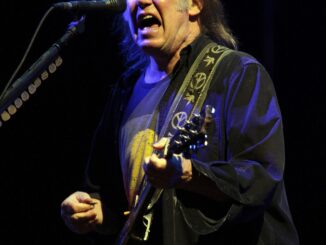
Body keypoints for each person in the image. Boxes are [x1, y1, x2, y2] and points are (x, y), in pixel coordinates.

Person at [60, 0, 299, 244]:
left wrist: (188, 174)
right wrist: (93, 211)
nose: (141, 2)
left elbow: (260, 177)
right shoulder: (124, 92)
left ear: (194, 5)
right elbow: (111, 197)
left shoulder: (237, 74)